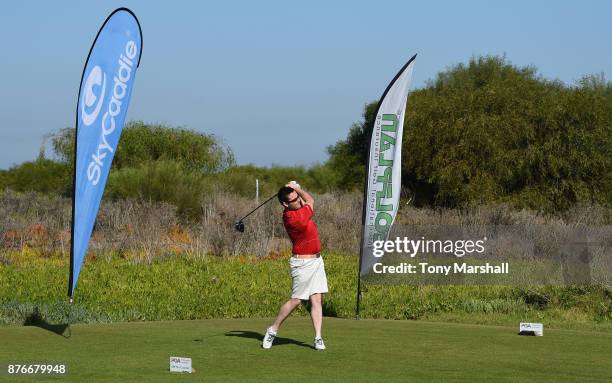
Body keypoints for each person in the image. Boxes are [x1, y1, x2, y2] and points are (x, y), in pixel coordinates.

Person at [262, 181, 328, 351]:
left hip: (316, 261)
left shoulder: (298, 208)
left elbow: (307, 200)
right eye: (294, 200)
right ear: (285, 204)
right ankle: (273, 329)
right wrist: (297, 188)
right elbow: (311, 201)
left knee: (316, 299)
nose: (299, 201)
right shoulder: (292, 218)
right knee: (297, 300)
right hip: (302, 263)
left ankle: (318, 337)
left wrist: (295, 190)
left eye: (298, 198)